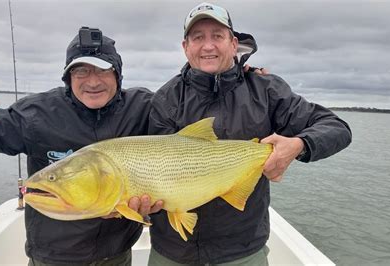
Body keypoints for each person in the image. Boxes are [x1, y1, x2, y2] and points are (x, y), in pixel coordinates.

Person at [147, 2, 352, 265]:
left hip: (243, 249)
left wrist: (299, 145)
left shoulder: (265, 90)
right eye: (198, 37)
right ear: (185, 47)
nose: (208, 46)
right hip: (173, 250)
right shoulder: (166, 98)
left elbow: (337, 128)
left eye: (217, 36)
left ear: (233, 44)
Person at [0, 27, 162, 265]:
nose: (93, 81)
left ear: (117, 75)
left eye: (103, 70)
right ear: (68, 76)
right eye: (81, 71)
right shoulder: (37, 114)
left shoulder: (142, 108)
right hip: (54, 258)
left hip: (117, 255)